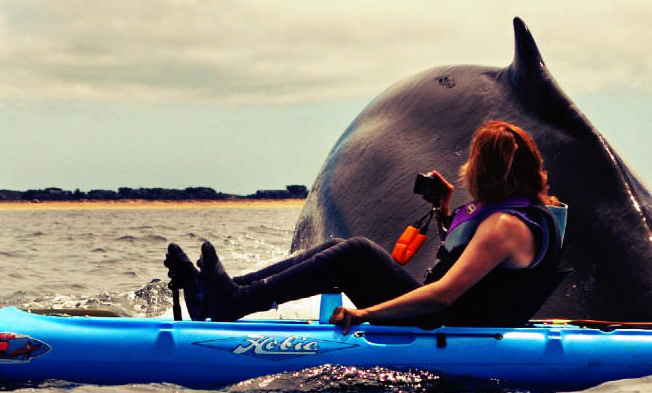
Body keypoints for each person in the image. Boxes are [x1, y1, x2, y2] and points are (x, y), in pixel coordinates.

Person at [165, 120, 567, 331]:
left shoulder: (503, 226)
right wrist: (446, 210)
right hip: (458, 316)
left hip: (444, 322)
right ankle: (228, 293)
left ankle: (231, 301)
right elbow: (479, 270)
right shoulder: (522, 216)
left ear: (486, 172)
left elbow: (446, 295)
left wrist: (364, 315)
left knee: (356, 252)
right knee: (342, 246)